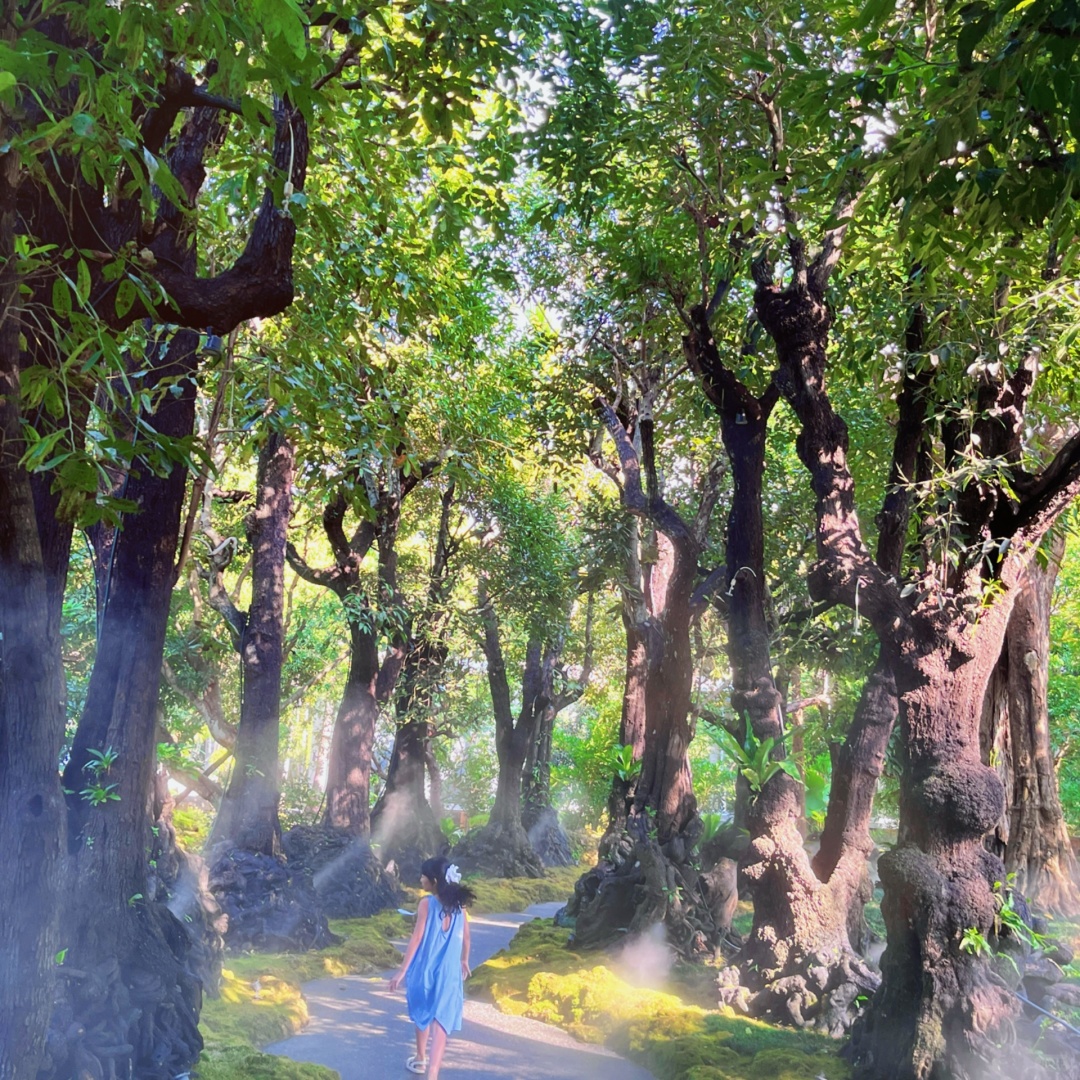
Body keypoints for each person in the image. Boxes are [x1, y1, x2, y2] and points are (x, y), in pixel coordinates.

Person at [388, 856, 475, 1076]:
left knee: (422, 1010)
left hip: (425, 969)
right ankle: (433, 1072)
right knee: (441, 1020)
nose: (420, 879)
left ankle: (420, 1057)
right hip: (449, 972)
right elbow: (466, 937)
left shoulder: (426, 903)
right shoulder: (459, 906)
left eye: (424, 876)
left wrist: (402, 971)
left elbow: (416, 939)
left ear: (434, 880)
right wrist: (464, 960)